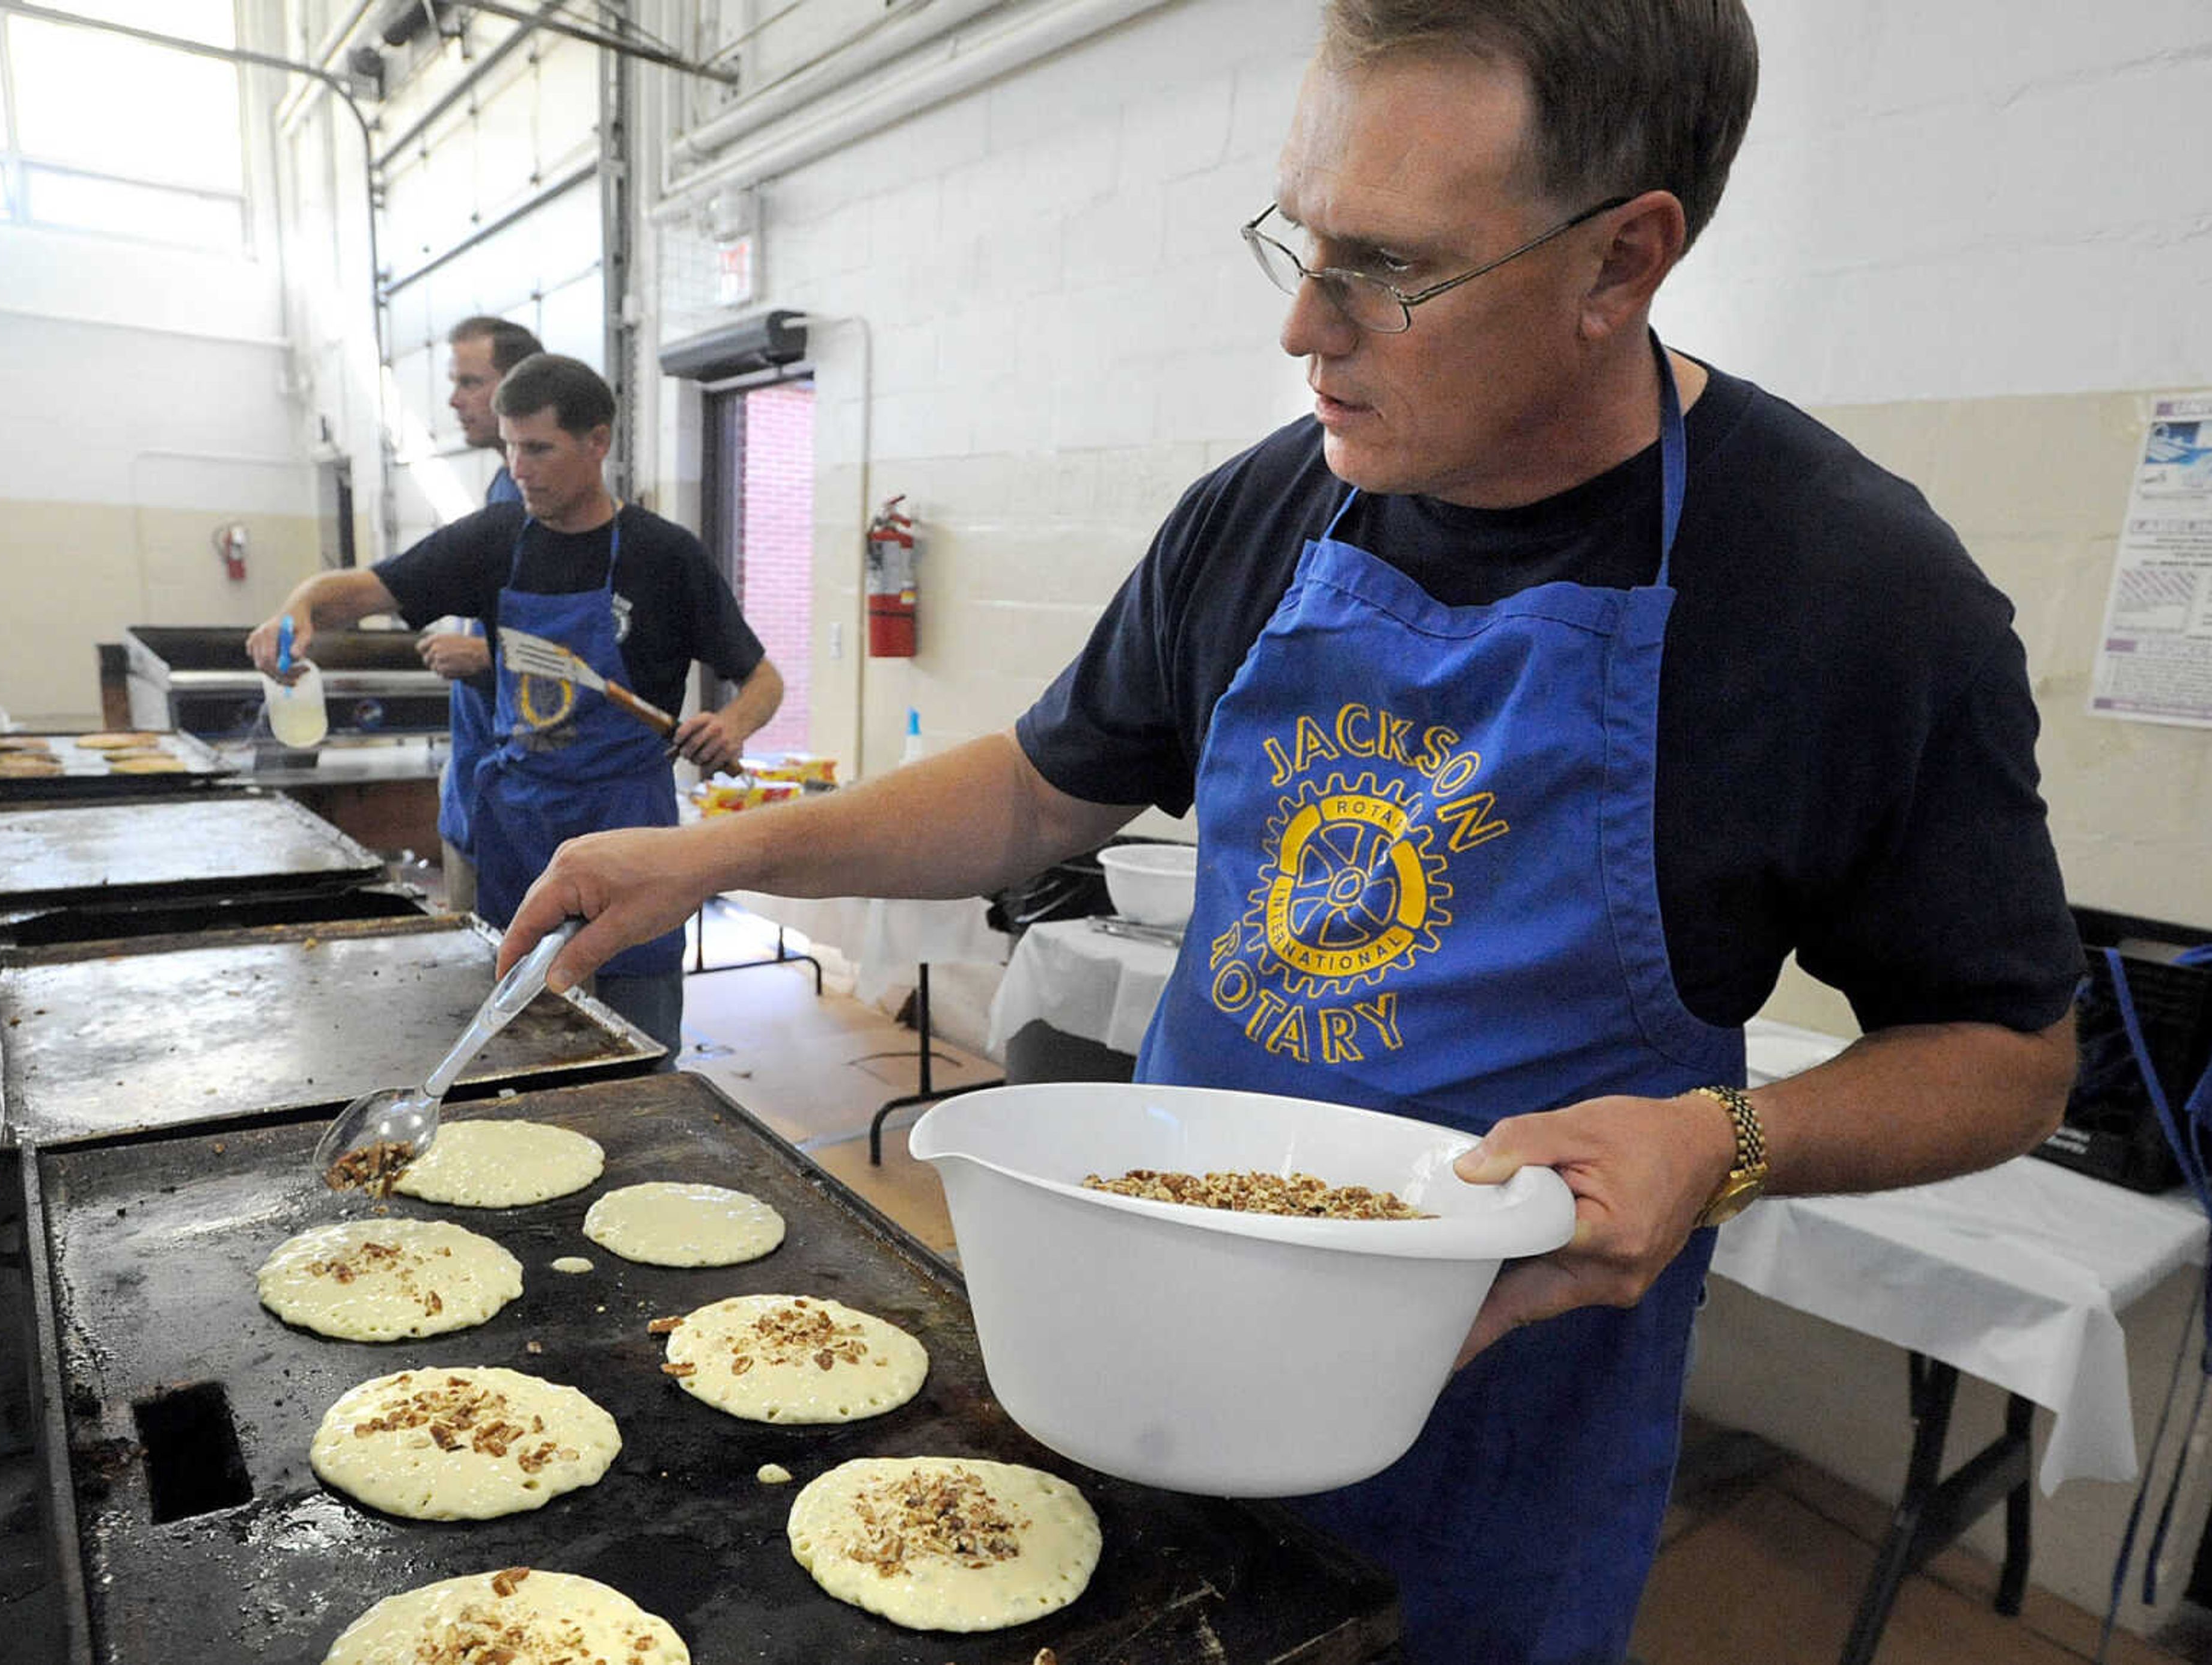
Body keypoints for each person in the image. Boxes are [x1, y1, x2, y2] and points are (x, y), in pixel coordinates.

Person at [495, 3, 2085, 1657]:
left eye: (1388, 269)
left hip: (1493, 1436)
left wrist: (1730, 1145)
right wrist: (721, 850)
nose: (1304, 329)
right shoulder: (1270, 505)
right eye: (1300, 242)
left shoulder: (1849, 595)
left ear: (1621, 260)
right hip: (1150, 1370)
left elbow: (2008, 1053)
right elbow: (1049, 781)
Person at [251, 353, 783, 1064]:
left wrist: (732, 723)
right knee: (521, 1041)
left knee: (644, 1044)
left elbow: (763, 680)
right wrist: (299, 607)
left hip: (628, 823)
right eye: (510, 447)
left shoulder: (665, 557)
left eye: (539, 448)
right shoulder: (495, 540)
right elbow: (357, 590)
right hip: (521, 824)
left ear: (597, 443)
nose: (520, 468)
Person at [424, 314, 545, 913]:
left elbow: (589, 665)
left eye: (471, 382)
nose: (455, 399)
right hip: (476, 790)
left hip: (521, 814)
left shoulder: (551, 514)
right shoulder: (504, 490)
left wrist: (487, 655)